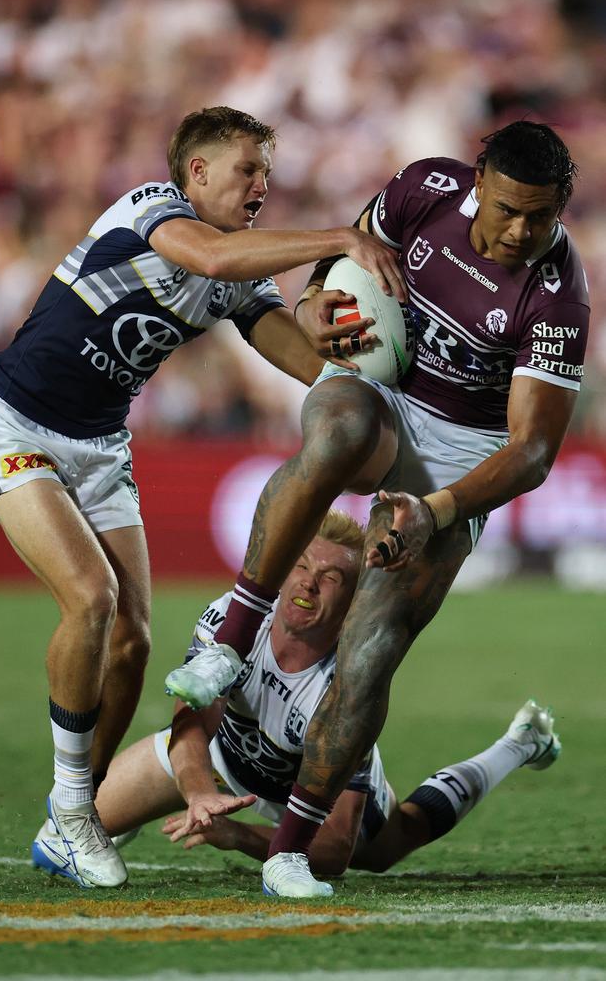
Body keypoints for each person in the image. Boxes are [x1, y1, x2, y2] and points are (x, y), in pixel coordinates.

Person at [0, 106, 400, 890]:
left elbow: (299, 359)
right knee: (91, 601)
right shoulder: (152, 212)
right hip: (15, 422)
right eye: (247, 170)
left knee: (132, 641)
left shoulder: (241, 273)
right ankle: (72, 807)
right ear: (195, 173)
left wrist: (353, 366)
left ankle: (72, 819)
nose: (262, 185)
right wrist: (341, 238)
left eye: (267, 171)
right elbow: (212, 261)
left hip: (99, 449)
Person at [164, 120, 589, 897]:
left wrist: (435, 509)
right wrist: (316, 299)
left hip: (464, 449)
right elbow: (347, 257)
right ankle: (230, 640)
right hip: (380, 385)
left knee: (369, 648)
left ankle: (291, 850)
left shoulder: (558, 293)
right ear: (475, 182)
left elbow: (530, 452)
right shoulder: (424, 188)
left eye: (542, 217)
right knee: (338, 434)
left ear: (563, 207)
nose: (521, 232)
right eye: (506, 210)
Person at [32, 510, 560, 890]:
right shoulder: (230, 620)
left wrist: (236, 835)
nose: (308, 584)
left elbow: (331, 852)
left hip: (305, 799)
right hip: (219, 764)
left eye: (331, 578)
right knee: (57, 840)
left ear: (353, 601)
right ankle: (133, 820)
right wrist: (198, 794)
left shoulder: (350, 683)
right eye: (302, 566)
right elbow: (191, 726)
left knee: (394, 841)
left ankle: (518, 743)